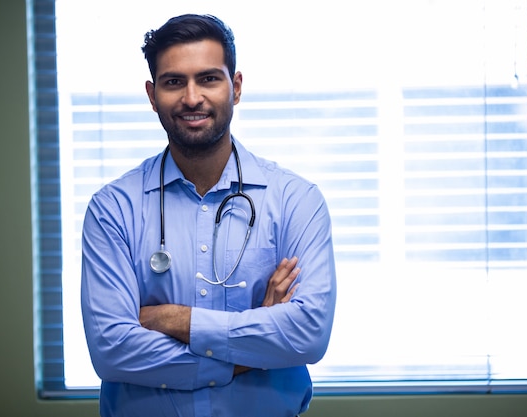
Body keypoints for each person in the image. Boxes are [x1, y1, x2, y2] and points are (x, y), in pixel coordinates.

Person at [81, 13, 336, 417]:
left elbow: (307, 335)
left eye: (209, 79)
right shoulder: (113, 208)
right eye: (173, 82)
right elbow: (113, 351)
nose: (192, 97)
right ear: (152, 95)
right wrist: (253, 345)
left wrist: (171, 318)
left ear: (235, 88)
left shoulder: (295, 201)